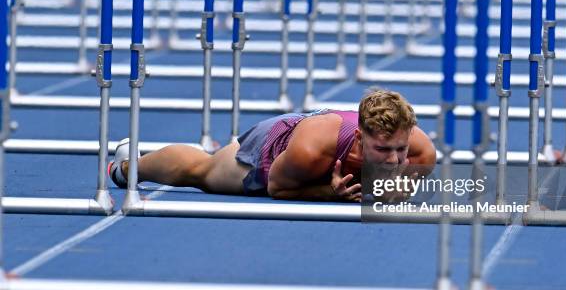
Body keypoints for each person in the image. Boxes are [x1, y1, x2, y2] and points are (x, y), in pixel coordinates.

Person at [108, 89, 437, 202]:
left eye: (400, 149)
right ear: (360, 138)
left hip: (320, 146)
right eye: (383, 151)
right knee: (203, 172)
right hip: (280, 144)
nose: (395, 161)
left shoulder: (421, 153)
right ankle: (127, 167)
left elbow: (392, 189)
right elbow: (279, 189)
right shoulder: (311, 150)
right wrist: (328, 192)